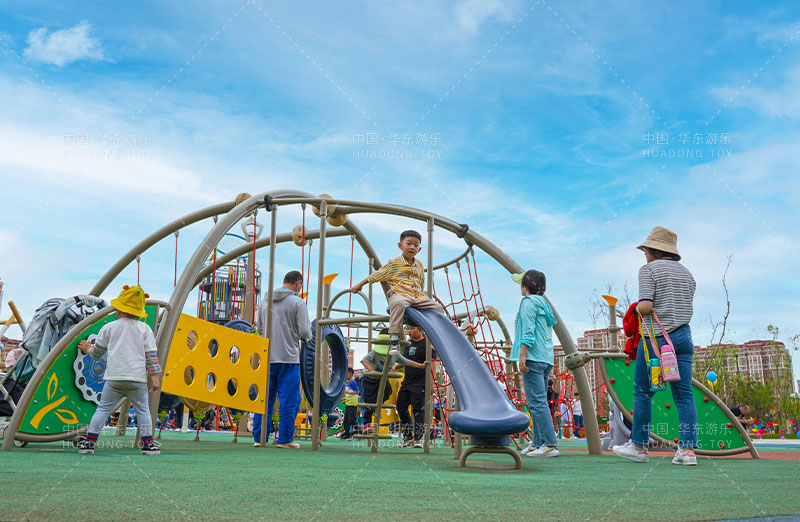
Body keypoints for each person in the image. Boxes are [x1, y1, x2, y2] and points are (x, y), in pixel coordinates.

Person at [613, 227, 698, 466]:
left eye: (646, 250)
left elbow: (646, 306)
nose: (644, 254)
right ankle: (687, 451)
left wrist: (636, 308)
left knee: (643, 392)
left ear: (653, 250)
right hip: (684, 336)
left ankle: (639, 446)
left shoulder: (648, 270)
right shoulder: (688, 274)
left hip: (657, 338)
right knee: (684, 394)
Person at [77, 285, 162, 455]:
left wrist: (87, 349)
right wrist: (154, 377)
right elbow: (151, 355)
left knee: (102, 410)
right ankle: (148, 445)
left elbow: (97, 353)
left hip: (114, 379)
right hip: (137, 380)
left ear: (119, 310)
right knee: (143, 410)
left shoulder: (109, 327)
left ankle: (88, 444)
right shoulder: (144, 329)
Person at [350, 230, 445, 354]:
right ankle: (394, 339)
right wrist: (360, 284)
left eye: (416, 245)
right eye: (408, 243)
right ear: (400, 246)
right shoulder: (394, 263)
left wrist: (422, 296)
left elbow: (421, 283)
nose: (412, 247)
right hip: (400, 294)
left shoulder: (419, 265)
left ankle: (434, 338)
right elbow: (378, 274)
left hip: (417, 296)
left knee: (438, 308)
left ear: (419, 249)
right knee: (398, 302)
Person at [253, 270, 311, 449]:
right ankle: (285, 439)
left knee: (264, 399)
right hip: (288, 358)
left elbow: (259, 329)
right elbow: (305, 331)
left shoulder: (264, 302)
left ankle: (259, 438)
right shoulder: (298, 303)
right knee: (289, 400)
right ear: (298, 284)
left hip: (267, 357)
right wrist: (308, 337)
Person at [509, 270, 559, 458]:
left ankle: (550, 444)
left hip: (533, 357)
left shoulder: (528, 302)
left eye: (521, 283)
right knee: (538, 402)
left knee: (537, 403)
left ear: (526, 285)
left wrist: (522, 354)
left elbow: (528, 331)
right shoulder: (544, 304)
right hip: (546, 358)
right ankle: (537, 442)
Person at [360, 329, 428, 434]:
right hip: (369, 378)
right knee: (369, 401)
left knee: (388, 391)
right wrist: (372, 370)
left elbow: (407, 362)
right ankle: (366, 424)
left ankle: (377, 407)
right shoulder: (375, 352)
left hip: (382, 379)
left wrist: (421, 366)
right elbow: (364, 360)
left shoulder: (395, 354)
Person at [392, 322, 436, 448]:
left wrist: (431, 384)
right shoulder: (408, 343)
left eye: (412, 328)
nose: (409, 331)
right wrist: (397, 366)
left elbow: (433, 364)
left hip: (420, 382)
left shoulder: (427, 344)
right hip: (407, 381)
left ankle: (418, 438)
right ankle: (408, 436)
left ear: (420, 329)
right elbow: (406, 360)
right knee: (401, 407)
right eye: (408, 329)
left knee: (418, 410)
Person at [340, 368, 359, 440]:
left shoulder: (353, 382)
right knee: (346, 420)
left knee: (351, 420)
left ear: (350, 374)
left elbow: (357, 391)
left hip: (353, 404)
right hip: (348, 403)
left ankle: (360, 432)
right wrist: (346, 400)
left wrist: (348, 392)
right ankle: (347, 434)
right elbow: (349, 394)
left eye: (347, 374)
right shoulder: (347, 383)